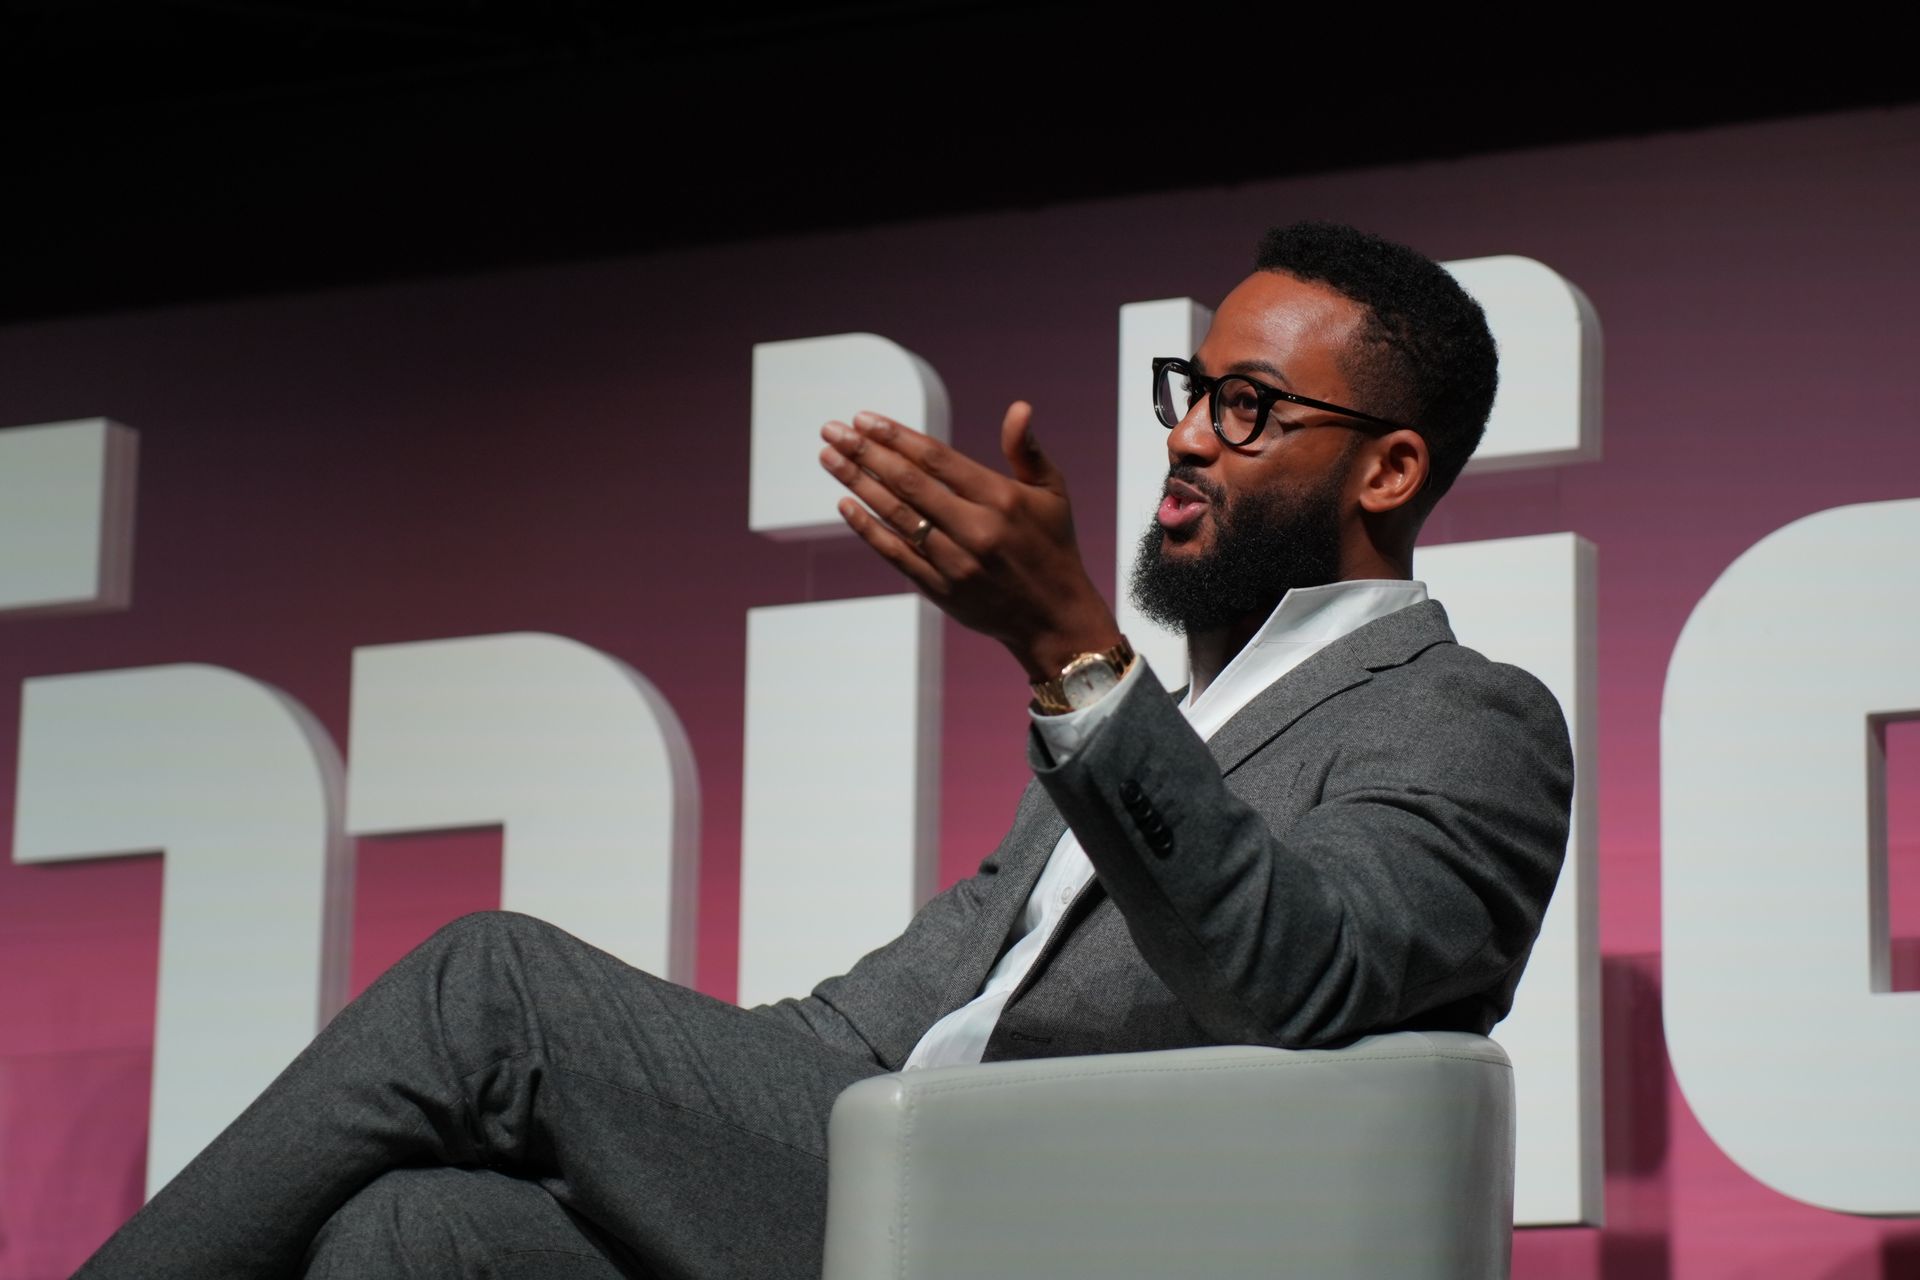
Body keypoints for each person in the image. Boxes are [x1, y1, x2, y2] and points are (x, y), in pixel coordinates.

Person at [74, 221, 1572, 1279]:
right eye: (1192, 393)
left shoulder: (1466, 718)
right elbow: (867, 1036)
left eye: (1250, 409)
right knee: (415, 1233)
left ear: (1387, 467)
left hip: (1060, 1231)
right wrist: (638, 1103)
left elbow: (1294, 979)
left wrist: (1070, 653)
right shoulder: (1153, 733)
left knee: (493, 988)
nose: (1187, 439)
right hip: (897, 1182)